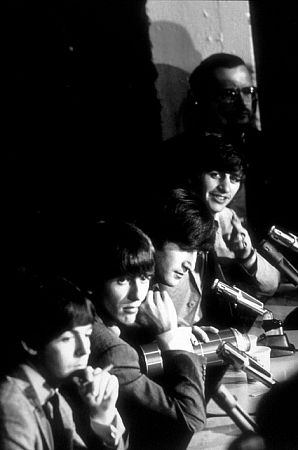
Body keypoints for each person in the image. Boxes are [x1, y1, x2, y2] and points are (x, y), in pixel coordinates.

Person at [68, 220, 207, 450]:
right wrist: (172, 336)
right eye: (122, 280)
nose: (137, 294)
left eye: (143, 278)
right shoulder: (113, 352)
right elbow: (190, 419)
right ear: (94, 280)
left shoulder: (84, 317)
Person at [0, 274, 126, 450]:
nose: (84, 349)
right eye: (67, 339)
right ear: (31, 343)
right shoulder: (11, 408)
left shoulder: (55, 397)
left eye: (87, 335)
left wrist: (103, 416)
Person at [162, 52, 272, 240]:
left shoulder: (267, 149)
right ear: (201, 98)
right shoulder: (174, 155)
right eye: (229, 93)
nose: (242, 102)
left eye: (248, 91)